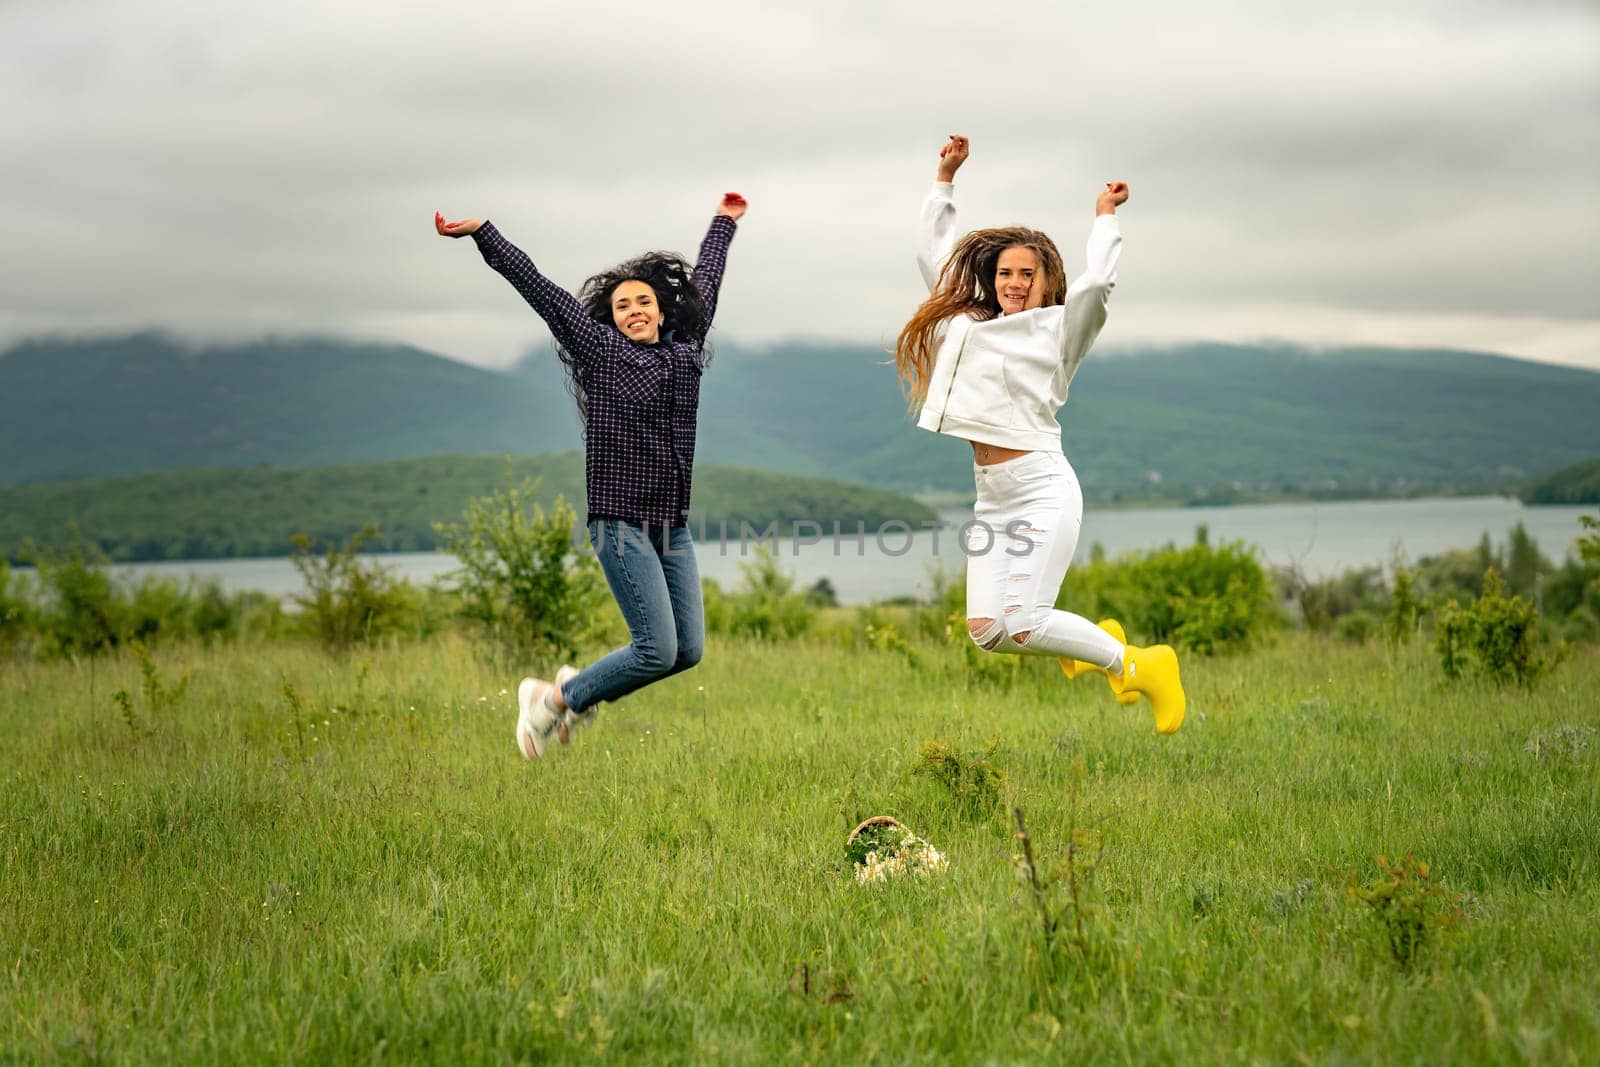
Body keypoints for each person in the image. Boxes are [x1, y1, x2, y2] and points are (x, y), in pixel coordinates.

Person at [435, 192, 748, 758]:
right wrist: (486, 234)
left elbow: (707, 281)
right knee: (654, 649)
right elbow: (542, 291)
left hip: (669, 526)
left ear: (660, 310)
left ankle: (567, 694)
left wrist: (724, 222)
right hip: (619, 521)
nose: (633, 310)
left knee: (688, 651)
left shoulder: (686, 353)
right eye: (623, 304)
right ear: (613, 316)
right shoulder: (599, 351)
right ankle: (554, 701)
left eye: (643, 301)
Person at [895, 135, 1184, 733]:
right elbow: (934, 254)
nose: (1015, 282)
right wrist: (943, 179)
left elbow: (1097, 287)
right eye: (1006, 272)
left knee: (1025, 621)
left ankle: (1140, 664)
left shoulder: (1059, 331)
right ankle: (1094, 645)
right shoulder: (964, 324)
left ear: (1047, 279)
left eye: (1028, 273)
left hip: (1040, 489)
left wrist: (1104, 219)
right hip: (991, 495)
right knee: (989, 633)